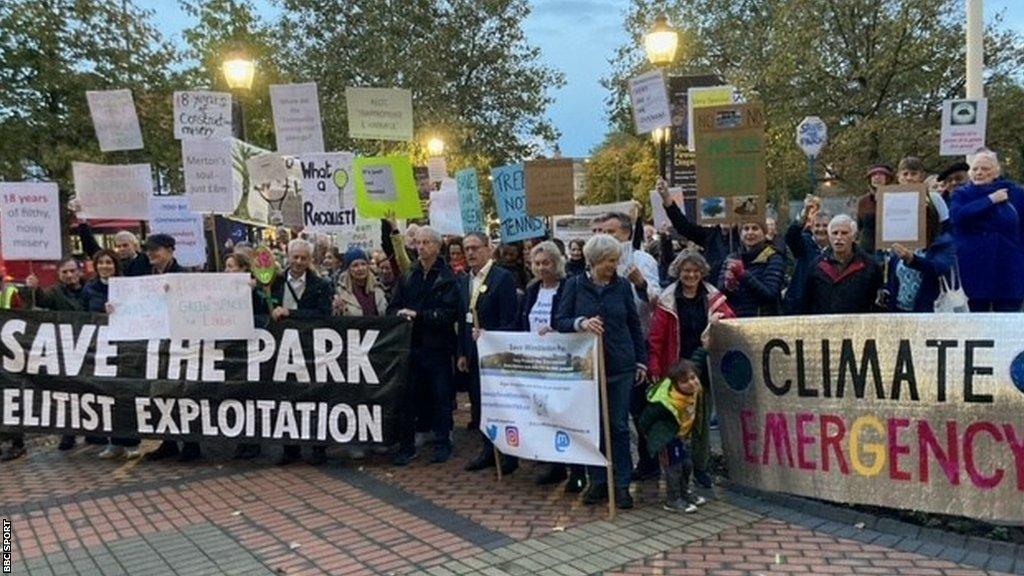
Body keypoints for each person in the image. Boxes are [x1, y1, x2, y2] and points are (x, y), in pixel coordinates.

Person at [555, 234, 647, 509]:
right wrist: (581, 322)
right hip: (588, 368)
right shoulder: (573, 285)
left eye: (616, 260)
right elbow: (560, 320)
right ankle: (597, 480)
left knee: (618, 425)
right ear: (594, 261)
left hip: (621, 365)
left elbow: (634, 324)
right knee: (593, 425)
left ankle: (621, 484)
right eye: (609, 261)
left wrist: (640, 361)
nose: (614, 266)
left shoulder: (621, 288)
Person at [647, 250, 733, 489]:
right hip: (677, 368)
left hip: (705, 366)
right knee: (677, 422)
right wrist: (655, 364)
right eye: (686, 270)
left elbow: (731, 322)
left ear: (702, 272)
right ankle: (677, 472)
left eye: (695, 271)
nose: (691, 275)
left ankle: (701, 467)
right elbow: (656, 338)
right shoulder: (667, 300)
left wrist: (720, 320)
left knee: (703, 422)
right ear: (678, 272)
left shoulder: (714, 297)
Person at [593, 210, 661, 480]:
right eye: (602, 232)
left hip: (637, 344)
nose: (606, 237)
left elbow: (658, 300)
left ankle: (649, 462)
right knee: (613, 414)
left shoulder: (642, 260)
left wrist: (640, 284)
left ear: (627, 234)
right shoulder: (598, 262)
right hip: (606, 347)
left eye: (612, 232)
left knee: (639, 409)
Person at [388, 226, 461, 465]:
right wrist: (400, 314)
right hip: (411, 346)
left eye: (426, 243)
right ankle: (407, 446)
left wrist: (419, 316)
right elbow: (393, 305)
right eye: (418, 243)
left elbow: (449, 313)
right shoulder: (409, 275)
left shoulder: (448, 277)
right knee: (409, 397)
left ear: (438, 246)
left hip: (437, 347)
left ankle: (443, 443)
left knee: (440, 396)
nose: (421, 247)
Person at [459, 232, 520, 474]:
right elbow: (463, 319)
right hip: (474, 354)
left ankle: (509, 454)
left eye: (475, 248)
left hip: (496, 354)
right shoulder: (465, 280)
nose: (470, 253)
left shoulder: (502, 278)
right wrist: (463, 352)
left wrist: (490, 335)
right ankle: (488, 448)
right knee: (480, 404)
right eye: (467, 249)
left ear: (488, 249)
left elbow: (510, 319)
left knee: (502, 405)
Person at [271, 239, 335, 466]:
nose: (298, 262)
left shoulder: (321, 285)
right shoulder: (273, 283)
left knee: (316, 397)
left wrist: (292, 314)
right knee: (286, 398)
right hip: (281, 351)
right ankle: (290, 448)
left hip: (311, 349)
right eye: (295, 257)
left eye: (303, 258)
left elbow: (323, 315)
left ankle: (319, 447)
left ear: (310, 260)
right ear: (288, 256)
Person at [81, 250, 143, 459]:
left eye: (109, 262)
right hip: (101, 349)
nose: (105, 266)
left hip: (125, 347)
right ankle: (114, 442)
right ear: (95, 265)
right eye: (101, 262)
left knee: (127, 393)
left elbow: (141, 310)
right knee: (107, 395)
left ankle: (132, 442)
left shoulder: (127, 286)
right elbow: (82, 316)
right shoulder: (89, 289)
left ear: (116, 265)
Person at [23, 257, 88, 451]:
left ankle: (95, 433)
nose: (69, 275)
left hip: (90, 349)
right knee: (67, 392)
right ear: (59, 275)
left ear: (79, 272)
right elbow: (41, 300)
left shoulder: (89, 289)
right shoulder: (55, 293)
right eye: (64, 272)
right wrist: (32, 289)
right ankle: (69, 434)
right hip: (66, 349)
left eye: (72, 271)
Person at [949, 150, 1024, 312]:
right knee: (976, 320)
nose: (979, 173)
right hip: (974, 266)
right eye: (975, 169)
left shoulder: (1015, 193)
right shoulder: (962, 195)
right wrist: (990, 200)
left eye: (985, 169)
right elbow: (958, 217)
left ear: (996, 171)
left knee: (1008, 320)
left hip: (1008, 266)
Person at [639, 355, 710, 513]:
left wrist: (704, 347)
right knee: (674, 468)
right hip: (668, 438)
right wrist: (651, 437)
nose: (692, 383)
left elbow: (696, 360)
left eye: (693, 378)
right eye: (685, 381)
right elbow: (646, 419)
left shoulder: (694, 391)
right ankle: (673, 498)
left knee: (686, 465)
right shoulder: (665, 402)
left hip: (683, 436)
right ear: (676, 384)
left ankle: (685, 493)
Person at [655, 178, 738, 283]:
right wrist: (666, 197)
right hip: (714, 294)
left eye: (730, 210)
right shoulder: (709, 235)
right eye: (724, 209)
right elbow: (684, 227)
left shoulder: (744, 237)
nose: (727, 215)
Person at [882, 196, 955, 312]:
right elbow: (893, 277)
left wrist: (913, 260)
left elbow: (939, 267)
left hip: (928, 313)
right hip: (900, 312)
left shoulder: (944, 242)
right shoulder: (904, 240)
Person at [801, 215, 882, 314]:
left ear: (853, 237)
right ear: (829, 237)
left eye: (844, 233)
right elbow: (806, 301)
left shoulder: (870, 266)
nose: (839, 237)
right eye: (835, 233)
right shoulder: (816, 266)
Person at [717, 221, 785, 317]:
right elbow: (720, 292)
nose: (750, 232)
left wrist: (743, 274)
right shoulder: (731, 258)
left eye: (755, 228)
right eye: (746, 229)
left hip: (763, 319)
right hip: (736, 319)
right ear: (740, 234)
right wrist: (727, 285)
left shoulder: (773, 257)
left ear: (764, 233)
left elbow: (770, 294)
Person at [783, 198, 831, 314]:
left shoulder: (835, 249)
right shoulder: (804, 243)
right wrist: (804, 214)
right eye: (817, 226)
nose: (821, 229)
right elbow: (791, 235)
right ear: (812, 227)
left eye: (825, 226)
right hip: (801, 304)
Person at [0, 266, 27, 462]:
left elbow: (26, 320)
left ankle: (17, 443)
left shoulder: (10, 293)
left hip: (9, 357)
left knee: (11, 400)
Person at [333, 247, 388, 318]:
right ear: (348, 269)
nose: (360, 268)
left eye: (363, 264)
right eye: (355, 265)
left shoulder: (379, 289)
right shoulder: (340, 293)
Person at [857, 164, 895, 255]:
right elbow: (860, 225)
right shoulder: (863, 201)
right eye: (874, 175)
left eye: (881, 174)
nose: (877, 177)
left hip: (890, 248)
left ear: (888, 178)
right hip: (867, 248)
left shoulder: (896, 198)